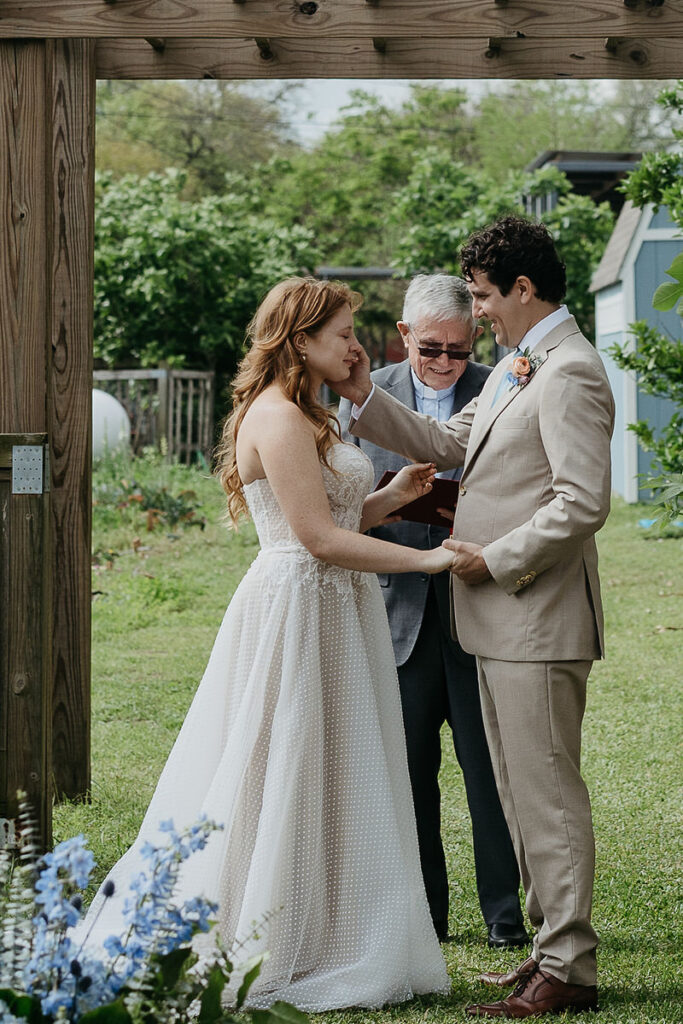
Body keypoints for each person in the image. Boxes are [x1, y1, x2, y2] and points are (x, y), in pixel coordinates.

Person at [81, 277, 453, 1011]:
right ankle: (266, 932)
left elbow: (334, 514)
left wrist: (392, 500)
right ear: (301, 339)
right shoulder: (278, 417)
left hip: (333, 605)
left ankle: (322, 928)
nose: (357, 348)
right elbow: (313, 539)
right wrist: (427, 558)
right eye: (345, 334)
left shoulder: (311, 413)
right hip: (297, 608)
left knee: (329, 761)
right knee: (278, 759)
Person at [332, 217, 615, 1018]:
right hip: (495, 621)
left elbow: (582, 502)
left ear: (522, 289)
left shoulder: (569, 373)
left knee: (546, 795)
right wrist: (361, 395)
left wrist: (490, 557)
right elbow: (446, 442)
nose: (478, 315)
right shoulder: (516, 370)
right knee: (522, 795)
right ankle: (545, 955)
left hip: (536, 617)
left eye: (486, 298)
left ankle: (569, 968)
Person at [338, 274, 526, 949]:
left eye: (457, 349)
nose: (445, 361)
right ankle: (426, 920)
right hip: (397, 613)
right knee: (408, 778)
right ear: (403, 337)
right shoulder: (364, 393)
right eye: (430, 350)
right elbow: (340, 497)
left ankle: (506, 922)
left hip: (481, 605)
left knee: (489, 774)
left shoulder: (503, 385)